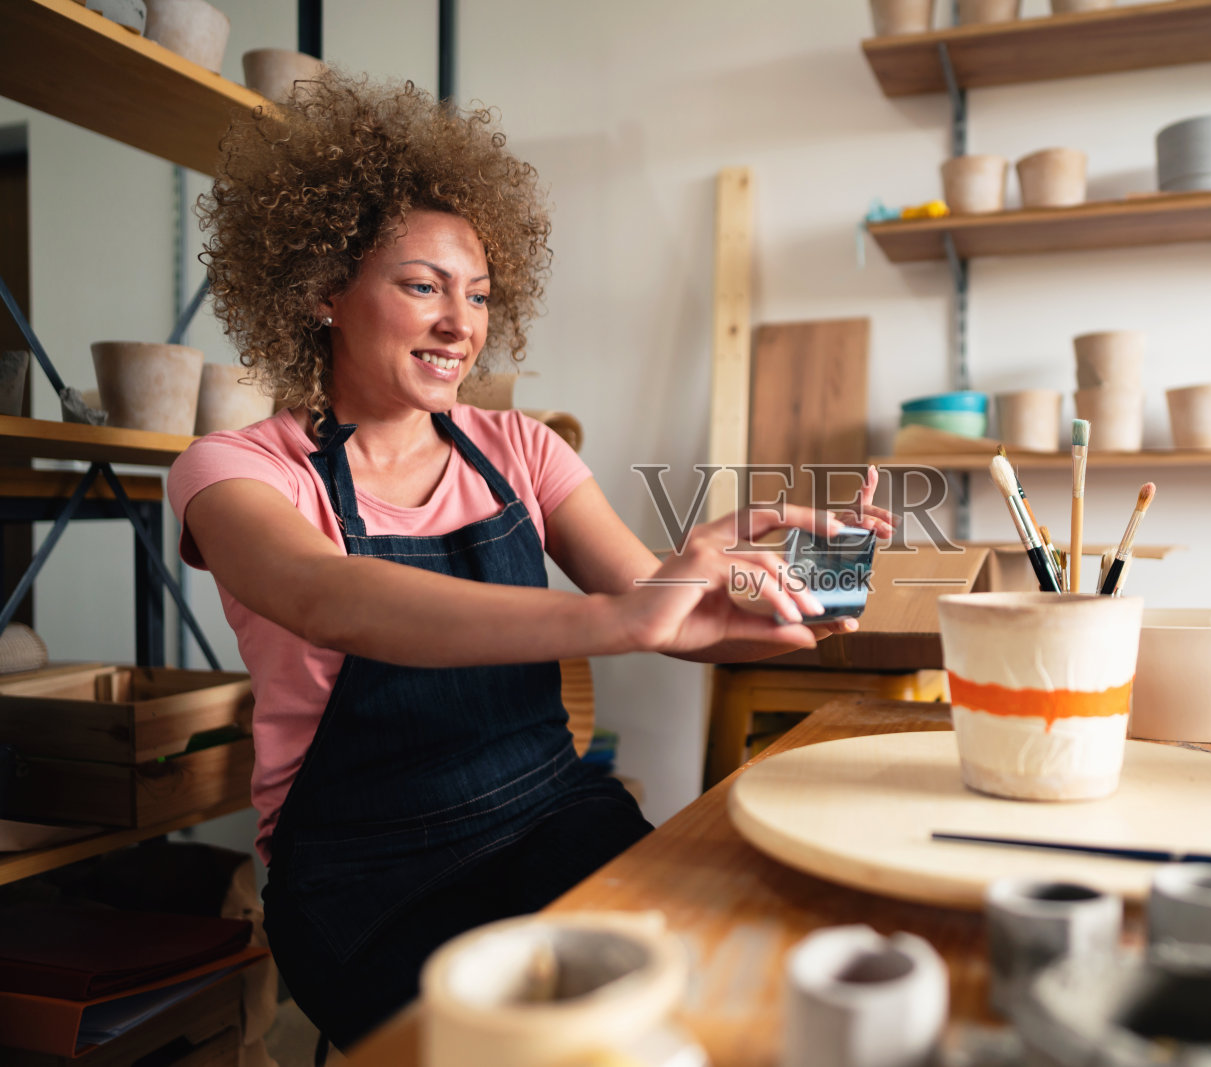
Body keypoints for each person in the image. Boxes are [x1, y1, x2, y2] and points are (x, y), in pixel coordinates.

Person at [169, 72, 893, 1051]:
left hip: (551, 819)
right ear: (321, 291)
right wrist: (621, 618)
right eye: (422, 286)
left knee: (714, 999)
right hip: (364, 878)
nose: (460, 324)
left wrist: (796, 590)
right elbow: (330, 594)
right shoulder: (235, 471)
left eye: (477, 295)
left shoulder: (519, 446)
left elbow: (654, 600)